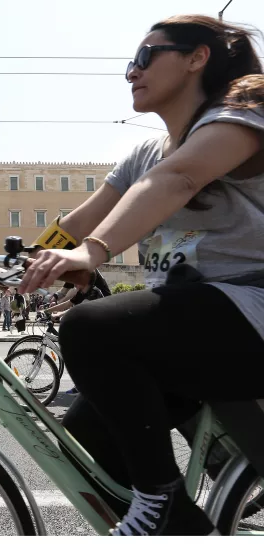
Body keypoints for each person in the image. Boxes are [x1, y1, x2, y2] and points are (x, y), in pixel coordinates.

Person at [17, 14, 264, 536]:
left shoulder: (242, 115)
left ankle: (158, 504)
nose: (133, 71)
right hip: (193, 320)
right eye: (131, 62)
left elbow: (180, 178)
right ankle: (184, 534)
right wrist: (28, 261)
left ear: (198, 57)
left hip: (250, 308)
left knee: (92, 328)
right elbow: (80, 221)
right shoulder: (145, 154)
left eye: (147, 56)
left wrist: (94, 253)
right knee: (88, 432)